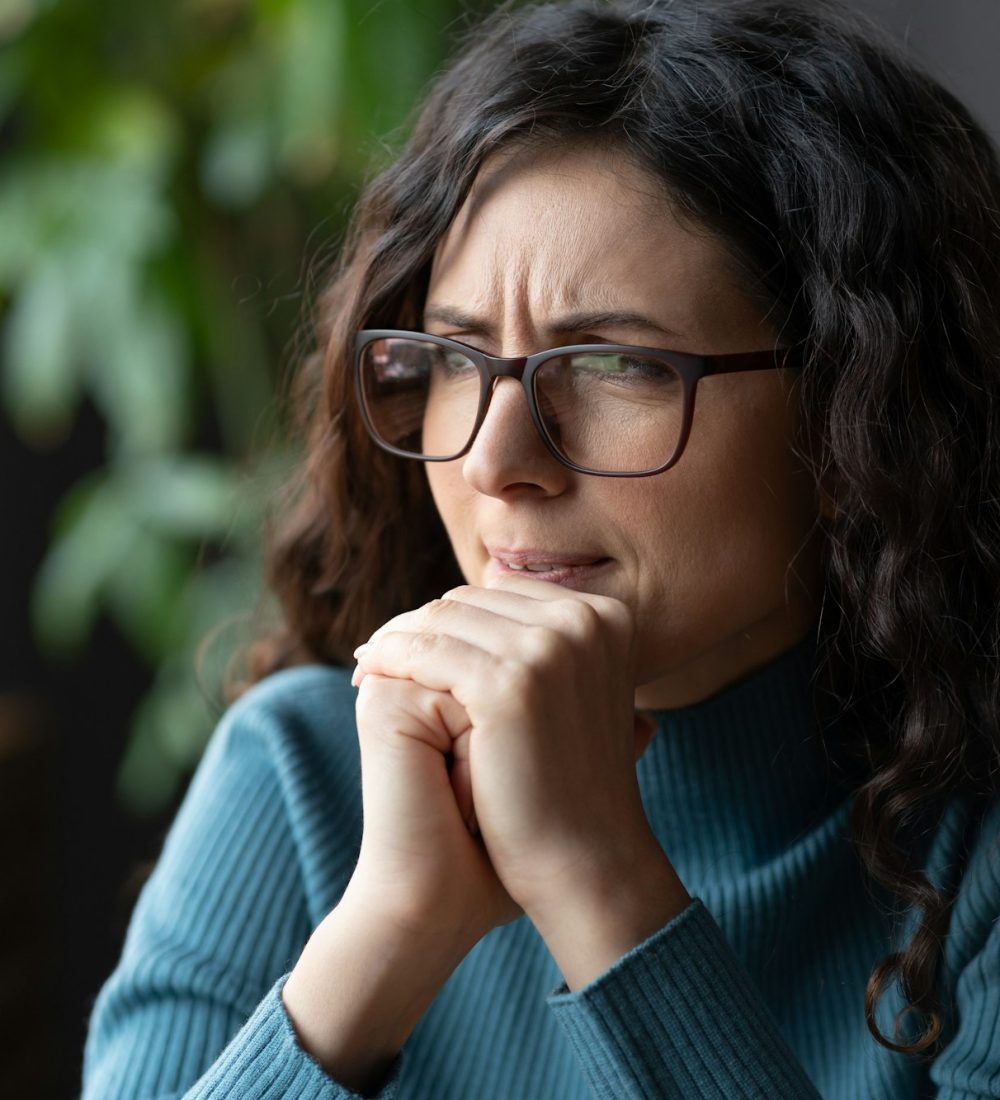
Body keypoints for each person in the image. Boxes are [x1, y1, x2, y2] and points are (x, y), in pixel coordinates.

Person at [81, 0, 1000, 1096]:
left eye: (615, 367)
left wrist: (595, 871)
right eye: (457, 359)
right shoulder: (300, 776)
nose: (496, 461)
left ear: (860, 409)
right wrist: (386, 933)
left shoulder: (972, 846)